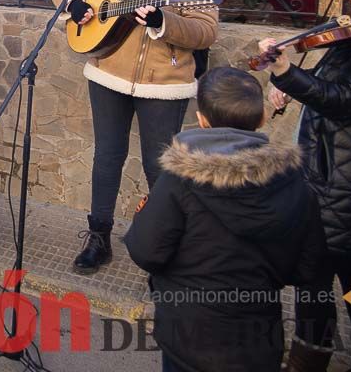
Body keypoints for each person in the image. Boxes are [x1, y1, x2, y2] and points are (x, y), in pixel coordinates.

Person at [48, 0, 218, 273]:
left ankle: (161, 243)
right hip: (108, 70)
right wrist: (75, 2)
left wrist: (163, 21)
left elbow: (207, 30)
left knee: (158, 166)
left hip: (164, 81)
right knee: (106, 157)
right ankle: (98, 237)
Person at [124, 67, 324, 372]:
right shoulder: (295, 182)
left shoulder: (180, 178)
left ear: (202, 120)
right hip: (259, 344)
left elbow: (145, 250)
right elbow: (309, 270)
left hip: (186, 341)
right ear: (260, 120)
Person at [259, 0, 351, 371]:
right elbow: (328, 83)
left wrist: (288, 74)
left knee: (349, 287)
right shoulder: (348, 40)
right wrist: (292, 82)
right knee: (313, 288)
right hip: (322, 185)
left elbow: (343, 99)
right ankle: (305, 362)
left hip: (347, 194)